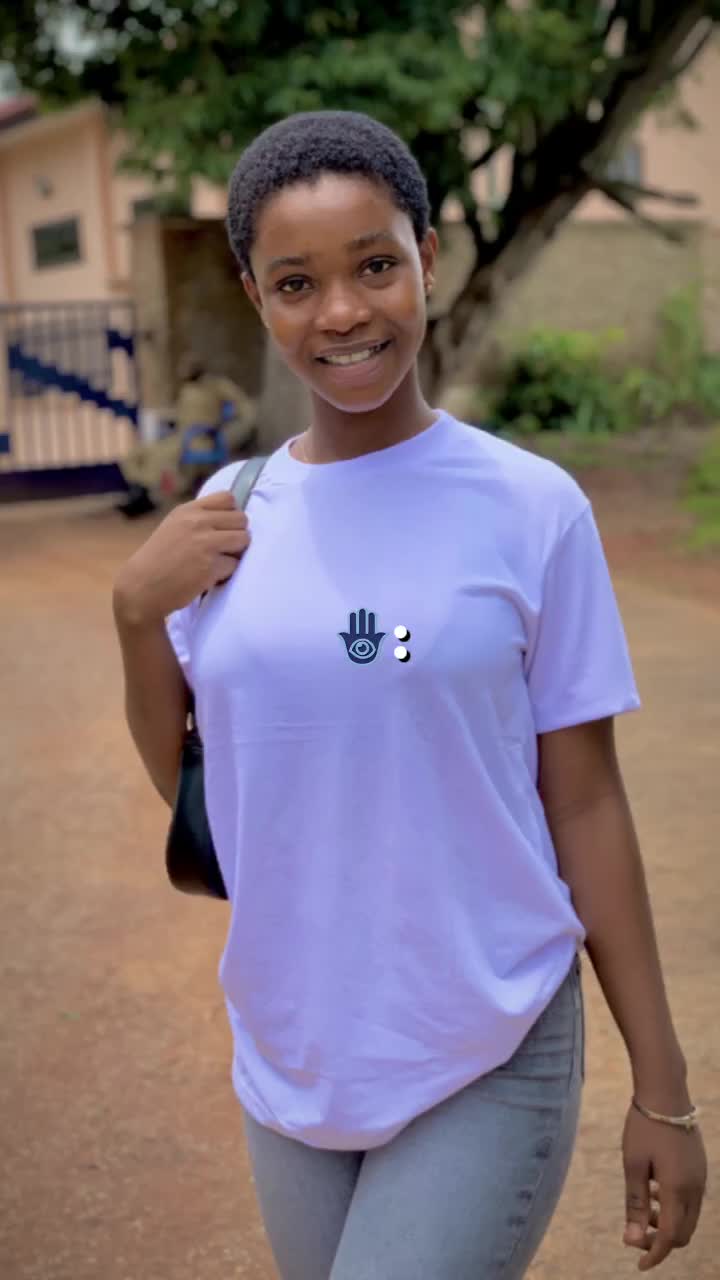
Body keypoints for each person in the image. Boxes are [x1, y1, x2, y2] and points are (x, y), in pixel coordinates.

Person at [112, 111, 707, 1278]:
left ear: (427, 258)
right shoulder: (228, 518)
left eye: (375, 264)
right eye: (297, 282)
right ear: (256, 295)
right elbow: (203, 786)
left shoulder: (532, 508)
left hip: (483, 1036)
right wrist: (136, 615)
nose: (342, 311)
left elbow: (587, 802)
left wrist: (666, 1087)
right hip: (292, 1054)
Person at [116, 353, 256, 516]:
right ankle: (140, 491)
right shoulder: (187, 389)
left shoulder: (217, 386)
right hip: (181, 437)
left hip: (201, 439)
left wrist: (233, 432)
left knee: (160, 458)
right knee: (135, 455)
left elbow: (245, 408)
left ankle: (146, 498)